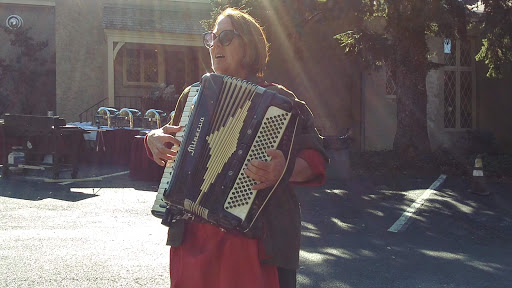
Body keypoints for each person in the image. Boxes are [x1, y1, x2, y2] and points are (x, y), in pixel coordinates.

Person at [145, 8, 329, 288]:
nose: (215, 45)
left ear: (250, 44)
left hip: (255, 245)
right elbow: (172, 139)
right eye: (212, 38)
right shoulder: (192, 97)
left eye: (226, 37)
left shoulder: (282, 101)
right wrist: (153, 138)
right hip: (192, 240)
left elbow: (316, 157)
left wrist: (284, 170)